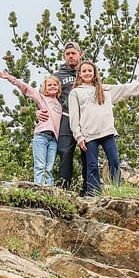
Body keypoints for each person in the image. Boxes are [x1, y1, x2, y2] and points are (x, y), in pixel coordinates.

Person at [67, 60, 139, 196]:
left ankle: (116, 190)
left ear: (94, 73)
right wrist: (79, 136)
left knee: (114, 161)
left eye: (90, 70)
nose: (87, 73)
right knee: (92, 165)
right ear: (80, 74)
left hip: (107, 132)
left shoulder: (106, 89)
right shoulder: (76, 93)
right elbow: (74, 117)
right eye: (84, 71)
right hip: (89, 135)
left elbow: (128, 89)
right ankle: (93, 193)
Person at [0, 70, 63, 185]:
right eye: (49, 85)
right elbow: (27, 88)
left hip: (54, 139)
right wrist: (10, 78)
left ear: (58, 87)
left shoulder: (60, 103)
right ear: (45, 88)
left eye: (55, 85)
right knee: (40, 165)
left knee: (49, 167)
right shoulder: (42, 98)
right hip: (42, 135)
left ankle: (50, 190)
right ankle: (39, 189)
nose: (52, 86)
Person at [46, 41, 88, 192]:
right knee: (65, 152)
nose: (71, 56)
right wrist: (39, 111)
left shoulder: (86, 72)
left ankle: (89, 189)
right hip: (66, 116)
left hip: (85, 118)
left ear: (80, 54)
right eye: (68, 54)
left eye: (73, 53)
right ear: (64, 56)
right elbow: (46, 96)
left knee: (88, 153)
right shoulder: (58, 76)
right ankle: (64, 187)